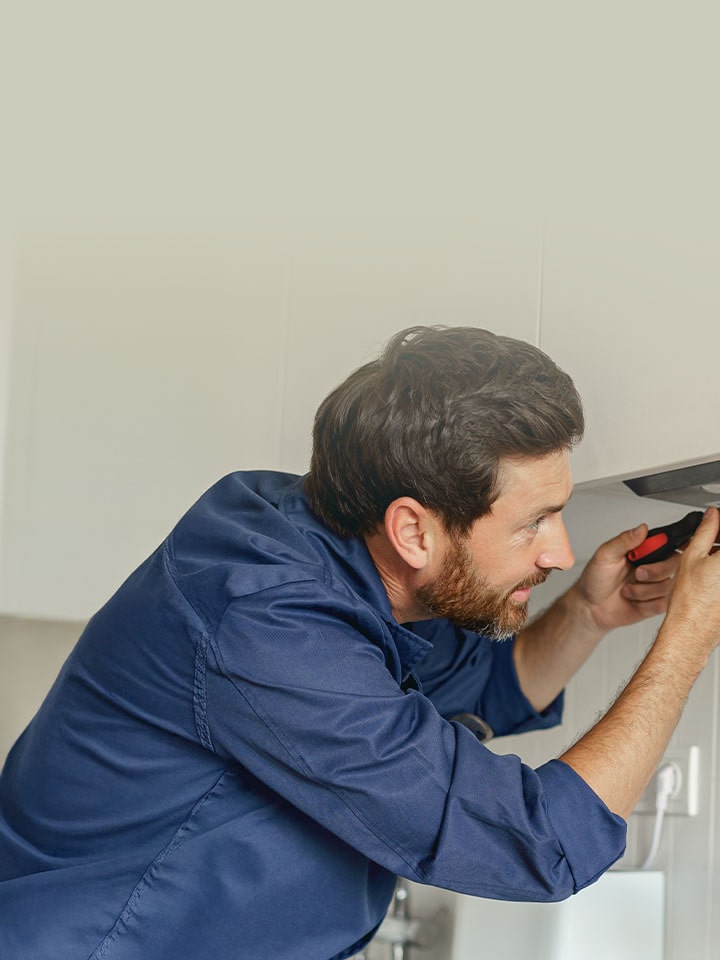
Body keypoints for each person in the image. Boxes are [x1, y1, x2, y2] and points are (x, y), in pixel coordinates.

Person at [1, 326, 719, 960]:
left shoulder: (337, 559)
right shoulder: (265, 620)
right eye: (536, 522)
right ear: (414, 531)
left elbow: (483, 688)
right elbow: (539, 844)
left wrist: (589, 616)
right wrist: (686, 639)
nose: (560, 553)